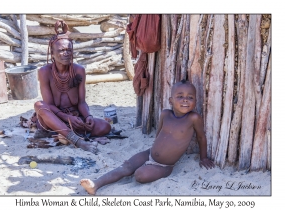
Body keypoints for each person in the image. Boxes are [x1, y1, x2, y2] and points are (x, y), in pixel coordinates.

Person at [80, 79, 214, 195]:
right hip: (149, 153)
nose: (185, 100)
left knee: (139, 175)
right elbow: (159, 134)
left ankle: (147, 169)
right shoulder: (165, 114)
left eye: (190, 97)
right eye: (180, 96)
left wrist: (203, 158)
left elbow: (201, 138)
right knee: (126, 167)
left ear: (195, 101)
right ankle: (95, 184)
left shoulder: (193, 118)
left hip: (164, 165)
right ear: (171, 100)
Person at [33, 20, 111, 154]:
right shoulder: (44, 72)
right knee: (39, 105)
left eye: (69, 50)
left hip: (75, 119)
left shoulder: (79, 70)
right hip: (53, 119)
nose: (66, 53)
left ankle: (64, 134)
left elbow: (81, 102)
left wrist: (88, 116)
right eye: (62, 50)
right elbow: (49, 105)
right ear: (52, 53)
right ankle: (77, 140)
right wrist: (66, 118)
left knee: (105, 127)